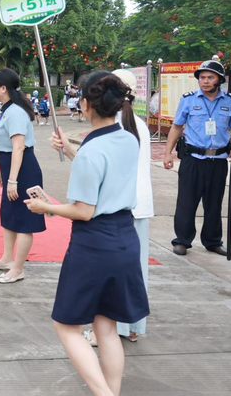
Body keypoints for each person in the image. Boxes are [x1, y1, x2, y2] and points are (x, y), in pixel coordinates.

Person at [25, 72, 149, 396]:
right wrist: (69, 149)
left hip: (95, 243)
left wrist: (46, 207)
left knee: (66, 325)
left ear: (86, 105)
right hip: (124, 237)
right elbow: (103, 176)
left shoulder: (93, 152)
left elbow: (84, 210)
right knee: (106, 326)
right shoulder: (128, 138)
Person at [80, 69, 155, 345]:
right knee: (135, 272)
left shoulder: (118, 127)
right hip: (138, 204)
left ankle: (112, 329)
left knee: (110, 274)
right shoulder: (138, 124)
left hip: (118, 207)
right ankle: (133, 325)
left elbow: (102, 170)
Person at [164, 60, 231, 256]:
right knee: (186, 202)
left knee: (214, 202)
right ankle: (182, 240)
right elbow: (176, 127)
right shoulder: (189, 99)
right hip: (193, 159)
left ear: (219, 80)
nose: (205, 81)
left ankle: (213, 241)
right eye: (202, 78)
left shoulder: (230, 100)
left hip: (218, 160)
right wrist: (167, 153)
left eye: (210, 77)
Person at [0, 69, 46, 282]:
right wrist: (6, 174)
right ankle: (6, 258)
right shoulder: (7, 109)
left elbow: (18, 147)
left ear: (3, 88)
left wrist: (13, 179)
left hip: (23, 170)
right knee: (10, 213)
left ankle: (18, 268)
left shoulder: (16, 112)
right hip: (11, 167)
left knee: (24, 218)